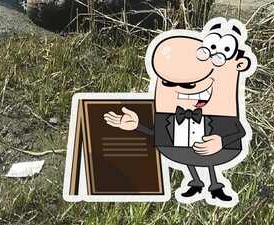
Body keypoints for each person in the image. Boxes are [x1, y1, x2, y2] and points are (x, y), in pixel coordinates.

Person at [104, 18, 256, 206]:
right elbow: (158, 135)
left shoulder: (223, 112)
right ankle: (195, 182)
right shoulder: (168, 115)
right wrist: (137, 126)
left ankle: (215, 187)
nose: (183, 89)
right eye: (168, 83)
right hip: (180, 152)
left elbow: (238, 131)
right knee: (188, 157)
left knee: (207, 158)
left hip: (216, 152)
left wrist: (221, 141)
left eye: (190, 84)